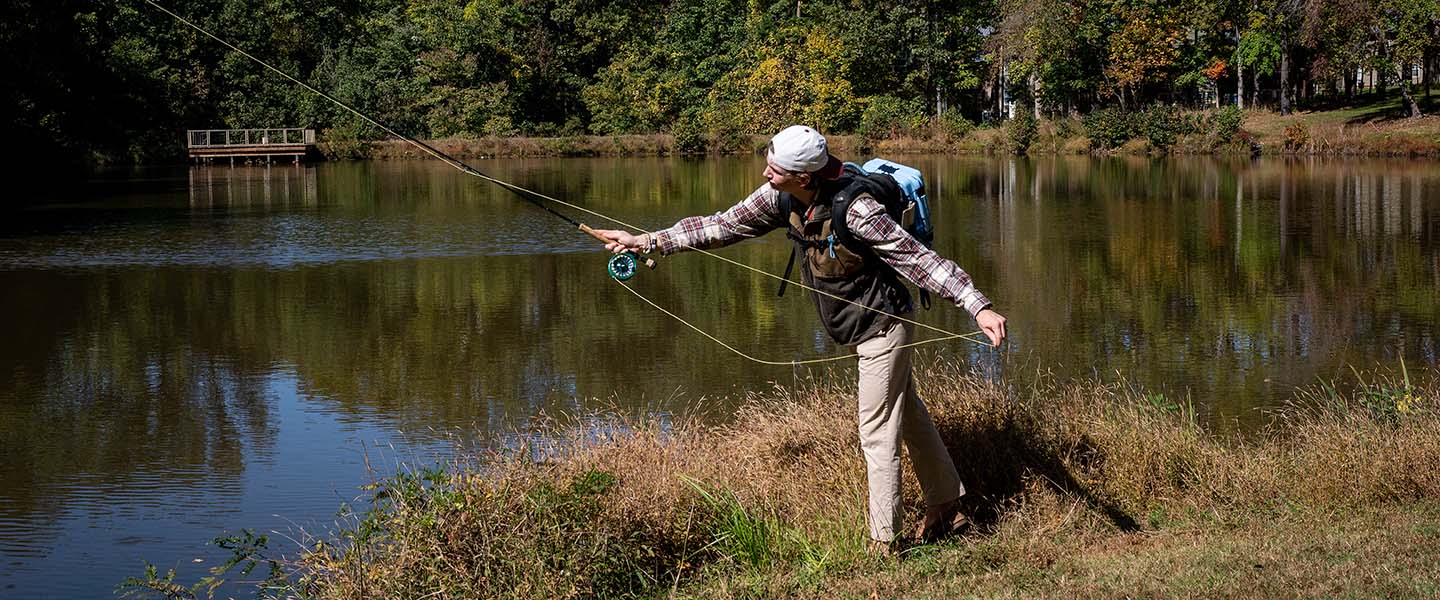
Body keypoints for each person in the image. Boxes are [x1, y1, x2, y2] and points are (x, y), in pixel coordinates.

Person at [596, 125, 1007, 554]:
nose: (764, 174)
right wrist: (647, 241)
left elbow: (918, 260)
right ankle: (948, 507)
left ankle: (884, 541)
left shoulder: (859, 211)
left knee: (876, 432)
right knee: (908, 416)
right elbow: (721, 226)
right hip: (857, 325)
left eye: (773, 169)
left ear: (805, 176)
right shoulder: (783, 197)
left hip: (883, 328)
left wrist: (977, 305)